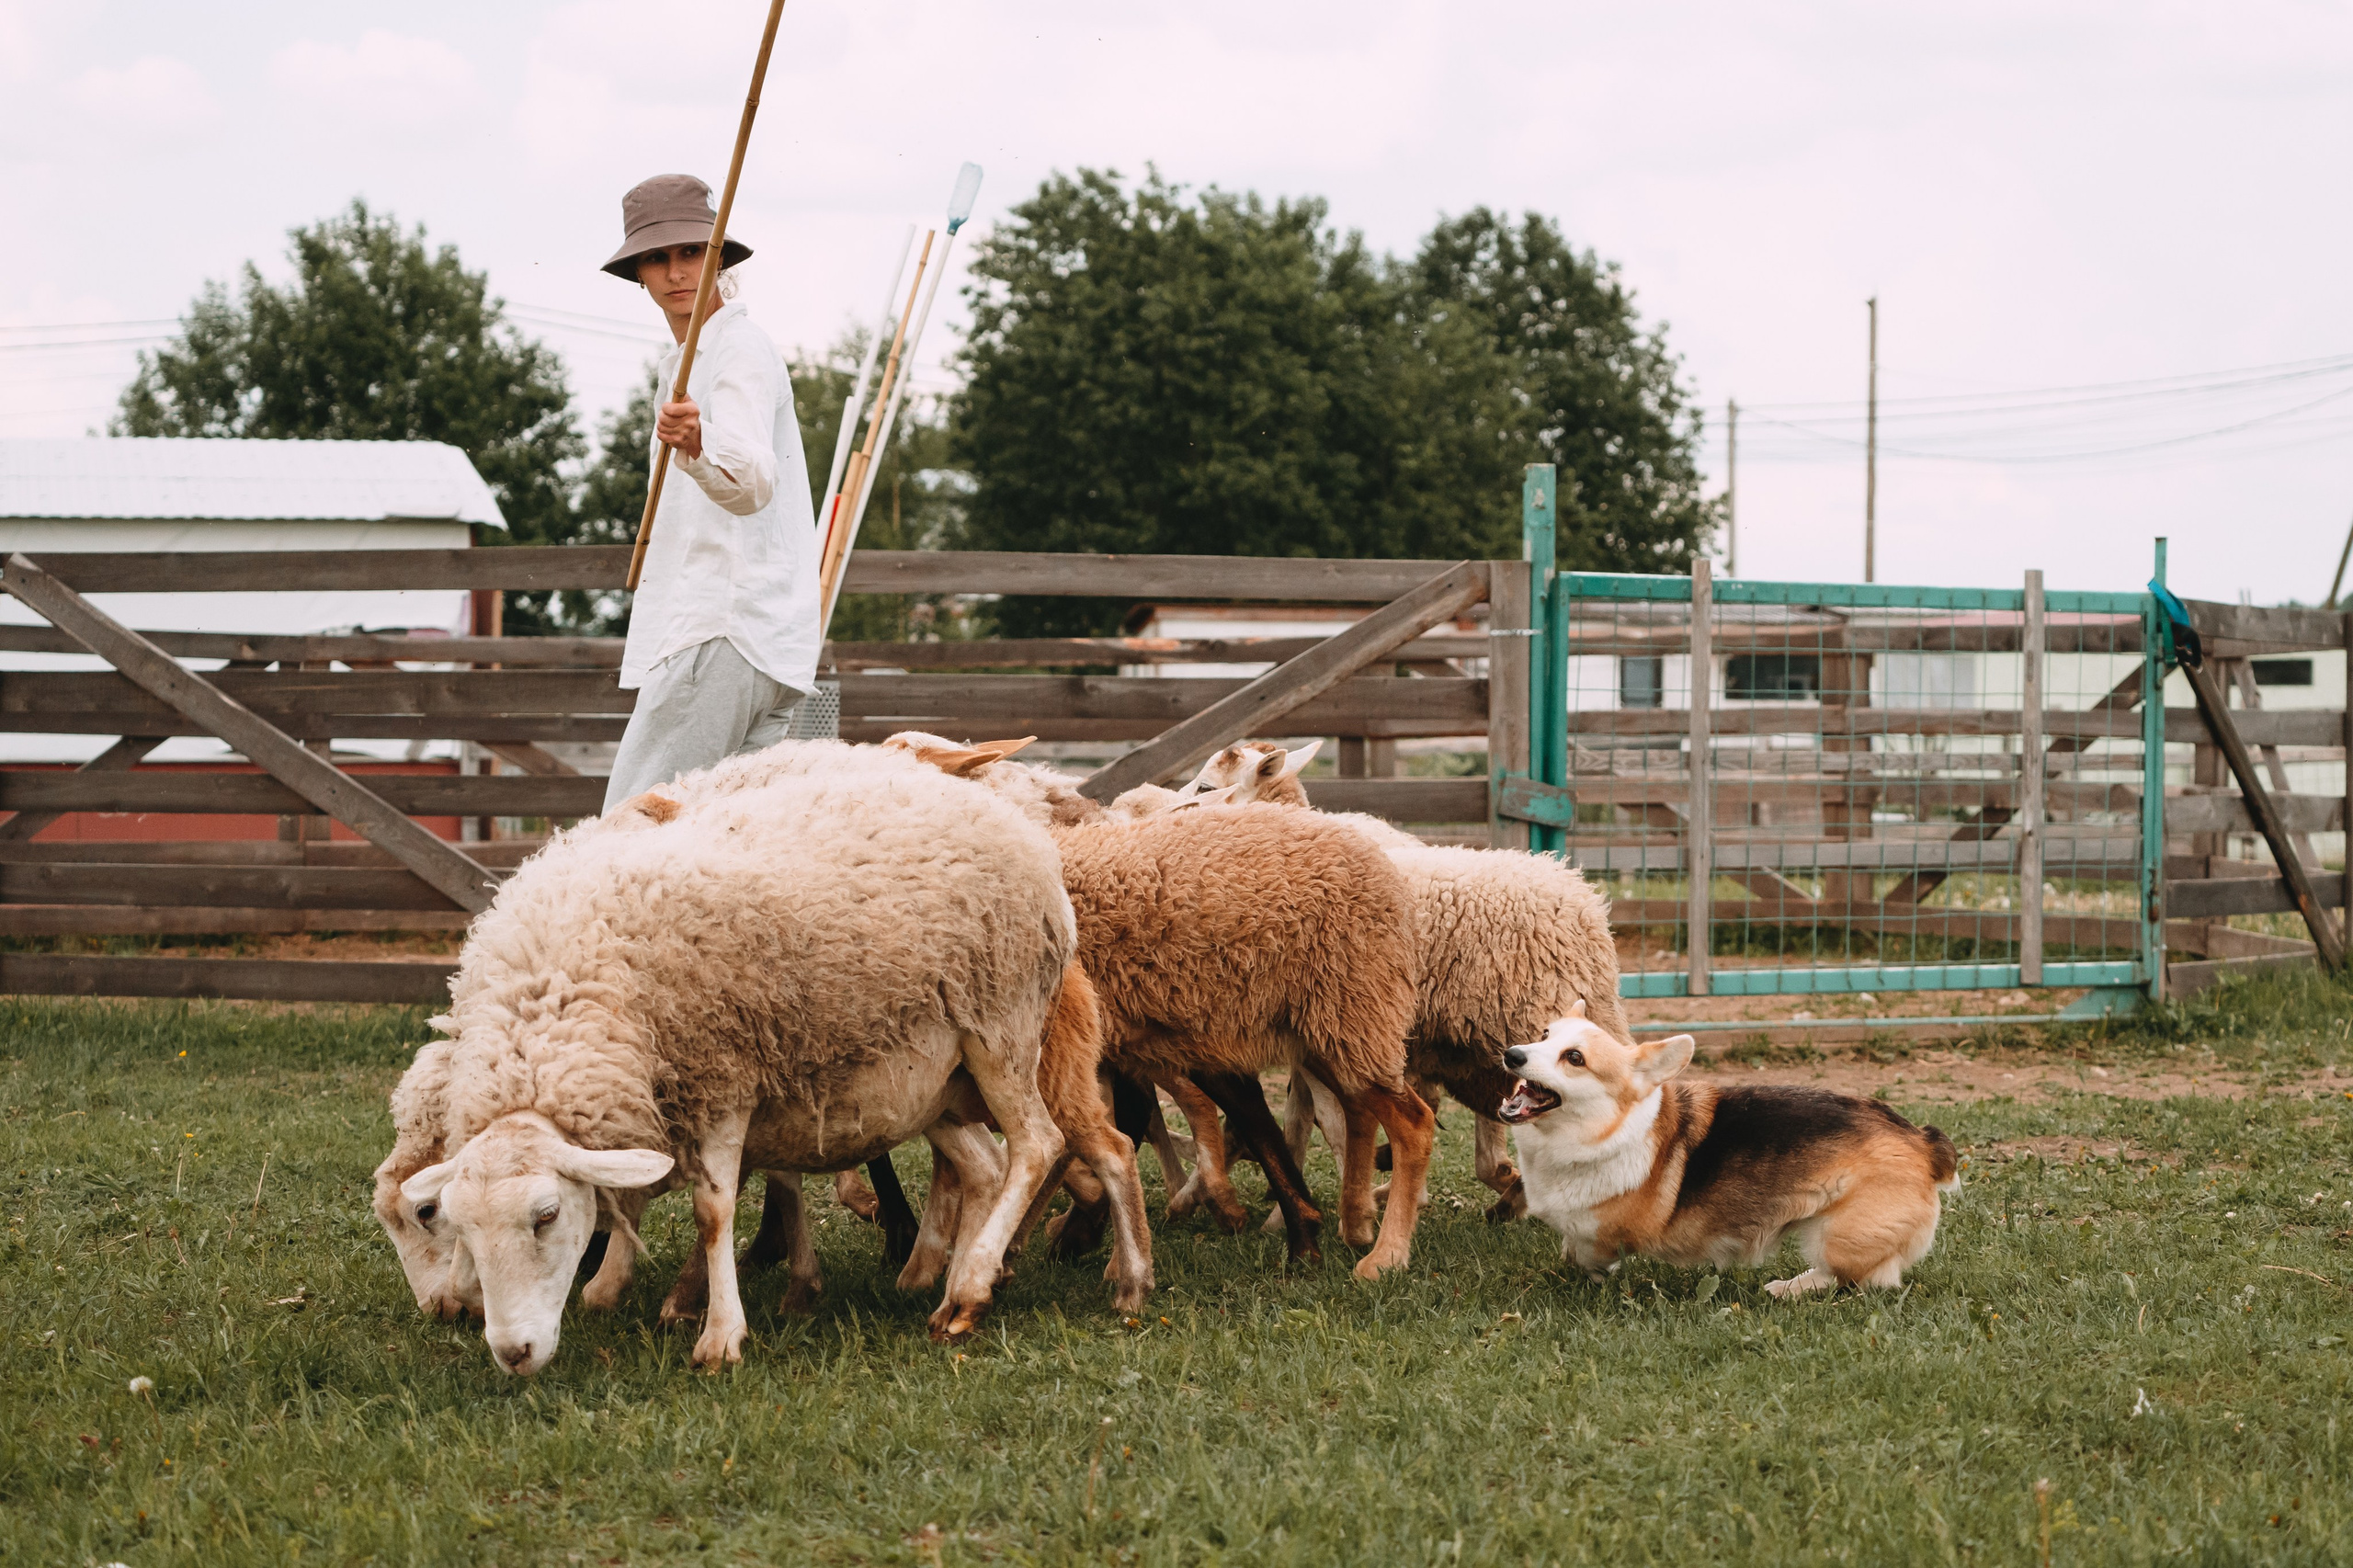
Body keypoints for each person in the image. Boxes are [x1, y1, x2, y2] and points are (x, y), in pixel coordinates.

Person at [597, 172, 819, 812]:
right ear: (638, 271)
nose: (676, 271)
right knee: (725, 852)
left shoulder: (738, 349)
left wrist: (698, 443)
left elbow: (752, 481)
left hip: (721, 632)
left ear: (718, 257)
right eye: (658, 257)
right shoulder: (686, 363)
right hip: (764, 645)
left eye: (692, 251)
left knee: (630, 830)